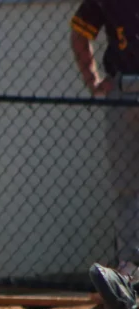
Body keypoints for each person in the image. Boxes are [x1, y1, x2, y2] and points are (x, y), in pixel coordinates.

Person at [70, 2, 139, 279]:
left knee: (127, 187)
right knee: (126, 185)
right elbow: (79, 33)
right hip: (122, 89)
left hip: (123, 90)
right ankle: (130, 268)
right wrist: (94, 80)